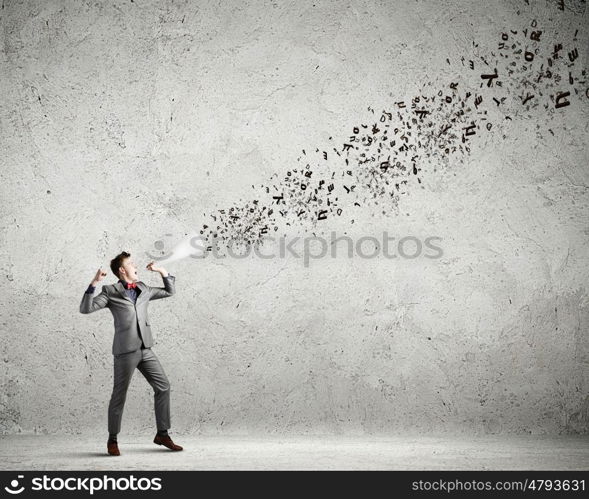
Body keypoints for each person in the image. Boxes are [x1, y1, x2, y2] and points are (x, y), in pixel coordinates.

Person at [79, 251, 183, 456]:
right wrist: (93, 282)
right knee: (119, 395)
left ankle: (162, 434)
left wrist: (162, 271)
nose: (135, 265)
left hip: (146, 348)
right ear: (122, 270)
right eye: (131, 263)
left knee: (163, 387)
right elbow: (86, 308)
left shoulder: (143, 288)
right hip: (125, 351)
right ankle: (112, 439)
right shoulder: (110, 291)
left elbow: (170, 291)